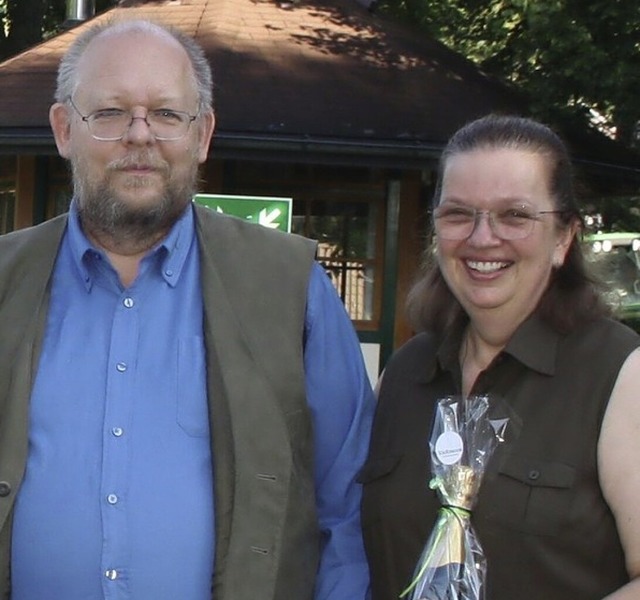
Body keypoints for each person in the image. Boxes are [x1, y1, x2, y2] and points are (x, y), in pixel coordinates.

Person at [0, 19, 375, 600]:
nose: (139, 135)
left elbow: (345, 507)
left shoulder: (290, 288)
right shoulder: (3, 281)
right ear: (63, 129)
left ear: (202, 135)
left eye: (168, 114)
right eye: (110, 113)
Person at [359, 114, 640, 599]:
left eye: (515, 215)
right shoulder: (404, 373)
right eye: (458, 214)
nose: (482, 238)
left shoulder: (619, 374)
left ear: (565, 238)